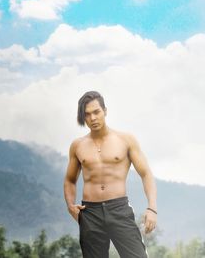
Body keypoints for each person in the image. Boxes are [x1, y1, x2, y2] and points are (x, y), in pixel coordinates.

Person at [63, 91, 157, 258]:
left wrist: (152, 208)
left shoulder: (125, 140)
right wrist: (71, 205)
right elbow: (70, 180)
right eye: (87, 114)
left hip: (118, 209)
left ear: (105, 111)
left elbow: (146, 174)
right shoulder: (77, 146)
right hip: (90, 212)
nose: (92, 118)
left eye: (96, 112)